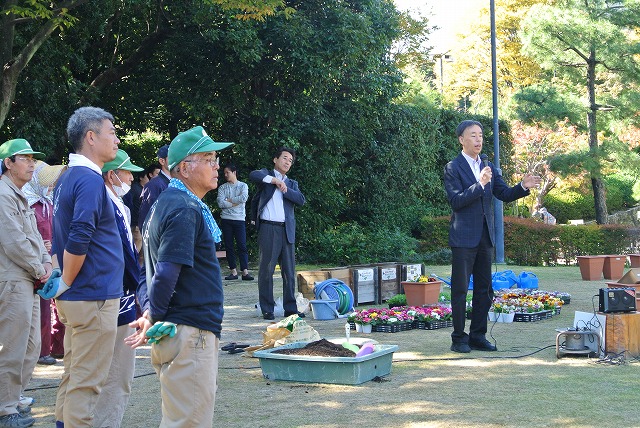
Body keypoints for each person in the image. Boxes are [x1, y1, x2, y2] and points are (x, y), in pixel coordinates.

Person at [126, 126, 232, 427]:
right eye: (209, 158)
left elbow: (147, 272)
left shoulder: (168, 203)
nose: (217, 165)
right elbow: (165, 272)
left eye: (215, 158)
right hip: (189, 334)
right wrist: (153, 315)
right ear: (185, 167)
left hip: (182, 332)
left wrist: (150, 311)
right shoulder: (184, 207)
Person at [43, 106, 124, 427]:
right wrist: (66, 281)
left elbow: (59, 236)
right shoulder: (89, 180)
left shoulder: (67, 178)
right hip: (92, 296)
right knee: (87, 383)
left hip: (80, 295)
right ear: (91, 138)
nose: (117, 139)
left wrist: (62, 279)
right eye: (112, 132)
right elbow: (79, 235)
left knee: (74, 375)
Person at [444, 120, 541, 354]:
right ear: (461, 140)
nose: (478, 140)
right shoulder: (453, 167)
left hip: (485, 238)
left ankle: (478, 336)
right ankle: (459, 338)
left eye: (480, 136)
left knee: (484, 290)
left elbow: (504, 194)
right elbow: (456, 201)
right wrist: (479, 184)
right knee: (459, 290)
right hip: (463, 238)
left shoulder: (489, 166)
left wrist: (522, 186)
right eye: (473, 136)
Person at [0, 138, 52, 428]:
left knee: (32, 345)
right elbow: (13, 240)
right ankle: (5, 409)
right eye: (26, 158)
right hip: (13, 278)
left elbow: (35, 238)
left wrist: (45, 263)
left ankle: (15, 396)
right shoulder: (2, 194)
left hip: (29, 277)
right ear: (8, 163)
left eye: (34, 159)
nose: (32, 164)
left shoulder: (19, 194)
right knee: (13, 346)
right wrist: (39, 268)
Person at [92, 149, 143, 428]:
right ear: (112, 175)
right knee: (114, 371)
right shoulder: (103, 204)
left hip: (124, 297)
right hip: (112, 296)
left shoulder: (120, 205)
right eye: (126, 172)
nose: (131, 178)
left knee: (122, 370)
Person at [249, 147, 306, 320]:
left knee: (289, 272)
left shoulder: (292, 183)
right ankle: (268, 308)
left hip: (286, 230)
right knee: (266, 270)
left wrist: (285, 188)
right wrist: (274, 180)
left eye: (290, 160)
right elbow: (253, 175)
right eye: (285, 158)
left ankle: (290, 308)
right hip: (268, 229)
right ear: (276, 159)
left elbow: (301, 200)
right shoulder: (266, 176)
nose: (288, 162)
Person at [23, 161, 68, 366]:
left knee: (57, 308)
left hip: (54, 260)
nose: (51, 186)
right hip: (37, 264)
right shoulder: (28, 202)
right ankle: (41, 351)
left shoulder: (48, 202)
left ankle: (58, 346)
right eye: (48, 182)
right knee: (41, 310)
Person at [217, 162, 254, 281]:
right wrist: (235, 203)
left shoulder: (243, 186)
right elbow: (220, 203)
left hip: (239, 220)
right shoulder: (222, 187)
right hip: (226, 220)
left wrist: (230, 200)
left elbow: (244, 198)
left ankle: (245, 272)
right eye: (225, 173)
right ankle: (233, 271)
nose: (226, 175)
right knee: (229, 246)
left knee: (242, 245)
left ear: (234, 172)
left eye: (228, 172)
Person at [123, 163, 160, 252]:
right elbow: (129, 205)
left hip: (141, 225)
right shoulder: (135, 189)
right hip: (136, 225)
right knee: (136, 250)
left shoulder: (146, 189)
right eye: (147, 176)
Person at [138, 145, 170, 231]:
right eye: (172, 157)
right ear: (162, 161)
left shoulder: (180, 182)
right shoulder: (153, 185)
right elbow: (146, 218)